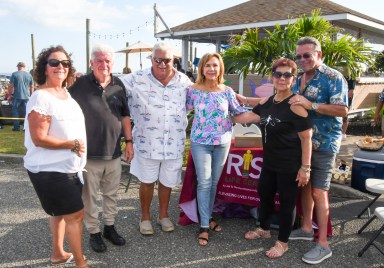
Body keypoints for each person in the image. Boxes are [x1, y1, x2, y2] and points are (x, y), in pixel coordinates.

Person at [232, 58, 312, 258]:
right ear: (272, 77)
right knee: (265, 195)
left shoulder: (295, 105)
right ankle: (264, 228)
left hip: (289, 165)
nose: (282, 78)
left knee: (287, 203)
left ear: (293, 79)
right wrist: (221, 111)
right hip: (269, 162)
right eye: (278, 74)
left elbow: (306, 138)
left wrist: (305, 167)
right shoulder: (267, 102)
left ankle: (283, 242)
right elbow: (248, 117)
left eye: (287, 75)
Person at [24, 45, 88, 267]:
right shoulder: (41, 97)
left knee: (60, 213)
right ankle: (81, 263)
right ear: (45, 67)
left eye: (65, 63)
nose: (60, 67)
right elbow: (39, 138)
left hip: (69, 167)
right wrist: (72, 143)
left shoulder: (64, 93)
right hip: (50, 170)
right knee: (75, 215)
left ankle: (58, 253)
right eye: (54, 63)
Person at [120, 42, 192, 235]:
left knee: (168, 181)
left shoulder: (184, 81)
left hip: (174, 142)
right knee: (147, 180)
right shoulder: (135, 79)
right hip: (146, 141)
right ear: (151, 59)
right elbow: (111, 88)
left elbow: (201, 99)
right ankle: (145, 217)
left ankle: (163, 215)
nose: (161, 64)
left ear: (173, 60)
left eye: (166, 60)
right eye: (157, 59)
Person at [287, 36, 348, 264]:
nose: (302, 59)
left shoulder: (333, 77)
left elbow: (342, 110)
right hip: (303, 143)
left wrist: (311, 105)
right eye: (299, 56)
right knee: (306, 185)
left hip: (324, 143)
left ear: (319, 55)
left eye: (307, 55)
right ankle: (305, 227)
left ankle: (323, 244)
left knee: (319, 192)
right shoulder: (299, 78)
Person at [69, 43, 134, 253]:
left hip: (114, 152)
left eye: (107, 60)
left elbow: (125, 115)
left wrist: (129, 142)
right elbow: (65, 111)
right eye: (99, 60)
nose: (103, 64)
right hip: (88, 154)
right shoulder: (79, 85)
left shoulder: (119, 85)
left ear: (112, 63)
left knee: (111, 194)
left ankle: (109, 227)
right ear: (91, 63)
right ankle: (94, 232)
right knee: (89, 197)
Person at [186, 53, 247, 246]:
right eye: (208, 65)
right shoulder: (192, 90)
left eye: (215, 65)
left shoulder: (227, 91)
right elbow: (179, 111)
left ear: (220, 68)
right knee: (204, 182)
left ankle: (209, 216)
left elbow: (239, 113)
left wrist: (265, 109)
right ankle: (204, 226)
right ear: (202, 69)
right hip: (200, 142)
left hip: (222, 142)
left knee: (213, 183)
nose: (212, 69)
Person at [7, 61, 34, 131]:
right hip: (27, 96)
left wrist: (9, 95)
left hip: (17, 96)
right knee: (27, 112)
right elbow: (32, 87)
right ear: (24, 67)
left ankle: (16, 127)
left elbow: (11, 86)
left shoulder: (14, 74)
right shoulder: (29, 75)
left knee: (15, 110)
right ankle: (26, 128)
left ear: (18, 67)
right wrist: (31, 96)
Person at [341, 66, 356, 140]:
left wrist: (345, 100)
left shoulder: (351, 76)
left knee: (345, 116)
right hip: (339, 98)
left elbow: (351, 91)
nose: (343, 68)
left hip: (346, 100)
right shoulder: (341, 75)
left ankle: (343, 133)